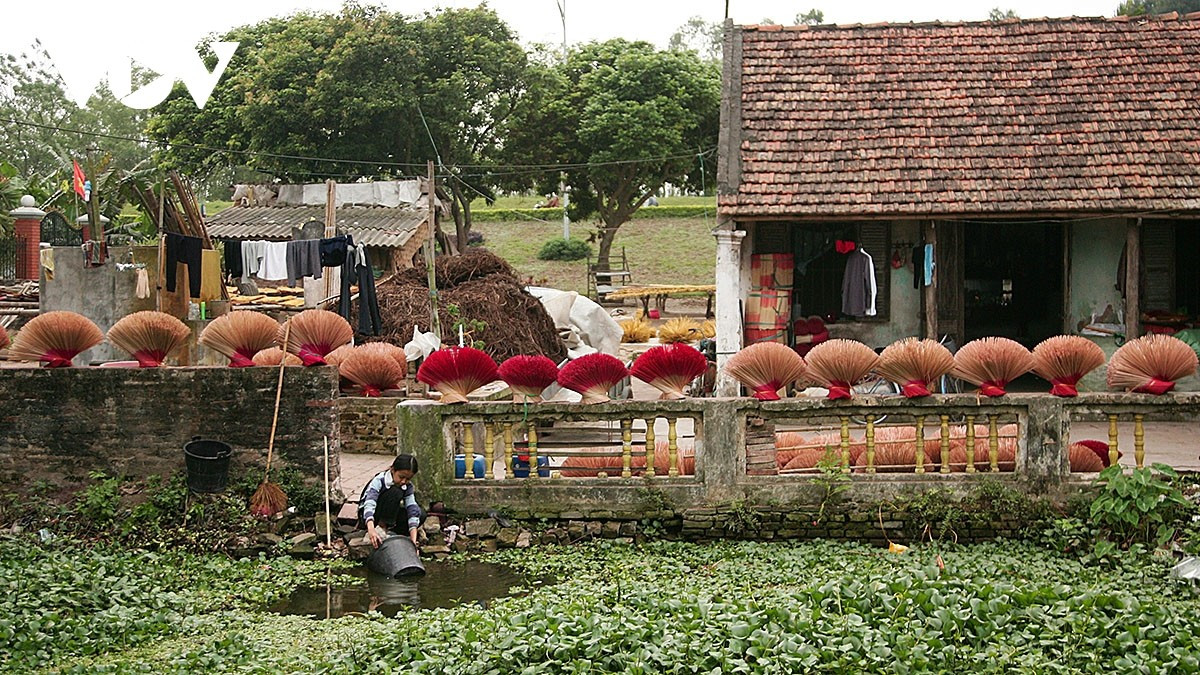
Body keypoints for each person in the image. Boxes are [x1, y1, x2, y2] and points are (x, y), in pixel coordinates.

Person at [359, 455, 424, 549]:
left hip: (389, 514)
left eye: (408, 479)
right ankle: (381, 529)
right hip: (369, 515)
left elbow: (412, 509)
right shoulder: (380, 480)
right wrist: (371, 529)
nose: (403, 481)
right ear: (392, 470)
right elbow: (370, 503)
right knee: (395, 492)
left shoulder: (408, 486)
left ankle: (393, 531)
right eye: (401, 477)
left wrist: (413, 542)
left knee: (420, 514)